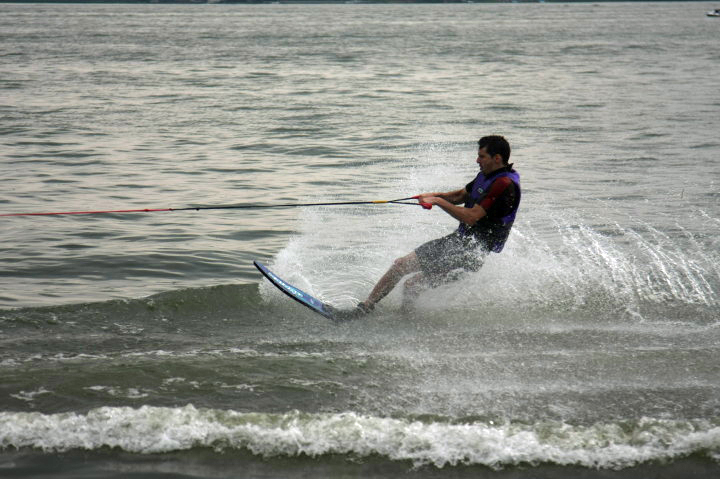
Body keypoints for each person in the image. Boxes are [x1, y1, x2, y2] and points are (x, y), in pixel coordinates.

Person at [341, 135, 520, 318]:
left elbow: (471, 217)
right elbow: (459, 196)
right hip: (464, 247)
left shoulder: (504, 185)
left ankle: (363, 310)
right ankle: (406, 322)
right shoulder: (487, 176)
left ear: (497, 158)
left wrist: (437, 201)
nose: (477, 160)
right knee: (412, 286)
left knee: (400, 266)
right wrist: (432, 196)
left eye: (482, 156)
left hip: (469, 250)